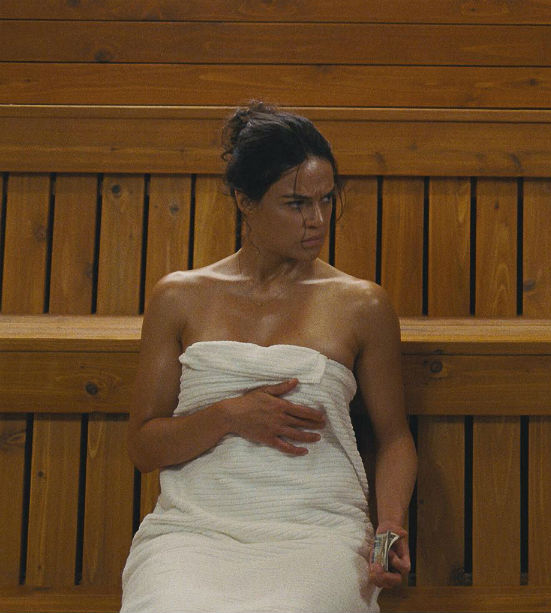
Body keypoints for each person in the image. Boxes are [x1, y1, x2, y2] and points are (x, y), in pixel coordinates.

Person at [121, 102, 417, 612]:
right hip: (194, 532)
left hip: (317, 531)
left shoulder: (361, 305)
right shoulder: (179, 297)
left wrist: (389, 525)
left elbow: (394, 438)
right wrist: (230, 415)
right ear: (245, 200)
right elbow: (144, 447)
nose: (317, 220)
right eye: (296, 203)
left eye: (327, 199)